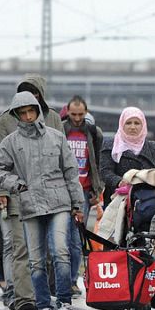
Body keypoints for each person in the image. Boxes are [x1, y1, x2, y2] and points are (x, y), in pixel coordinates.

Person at [0, 91, 85, 310]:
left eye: (31, 110)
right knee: (36, 260)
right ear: (17, 115)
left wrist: (77, 204)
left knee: (61, 252)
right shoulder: (11, 142)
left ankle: (64, 304)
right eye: (22, 113)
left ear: (38, 110)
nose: (28, 116)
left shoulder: (56, 137)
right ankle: (43, 307)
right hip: (30, 205)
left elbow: (70, 171)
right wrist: (16, 185)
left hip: (59, 202)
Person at [0, 73, 62, 310]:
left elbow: (63, 158)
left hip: (50, 196)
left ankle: (43, 295)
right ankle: (24, 298)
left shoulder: (54, 119)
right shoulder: (6, 120)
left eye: (34, 92)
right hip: (18, 195)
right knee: (21, 247)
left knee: (49, 251)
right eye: (24, 91)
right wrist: (1, 191)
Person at [62, 96, 104, 296]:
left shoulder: (94, 133)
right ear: (67, 112)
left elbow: (98, 163)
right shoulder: (60, 131)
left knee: (76, 239)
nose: (77, 118)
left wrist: (97, 190)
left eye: (81, 114)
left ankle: (71, 280)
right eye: (73, 114)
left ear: (86, 112)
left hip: (84, 192)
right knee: (61, 238)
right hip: (61, 190)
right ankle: (60, 280)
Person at [99, 107, 155, 208]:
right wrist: (120, 182)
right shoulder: (110, 145)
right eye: (128, 123)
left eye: (137, 123)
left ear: (143, 125)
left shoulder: (154, 147)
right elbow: (105, 172)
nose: (132, 127)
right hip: (116, 200)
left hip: (148, 202)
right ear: (122, 124)